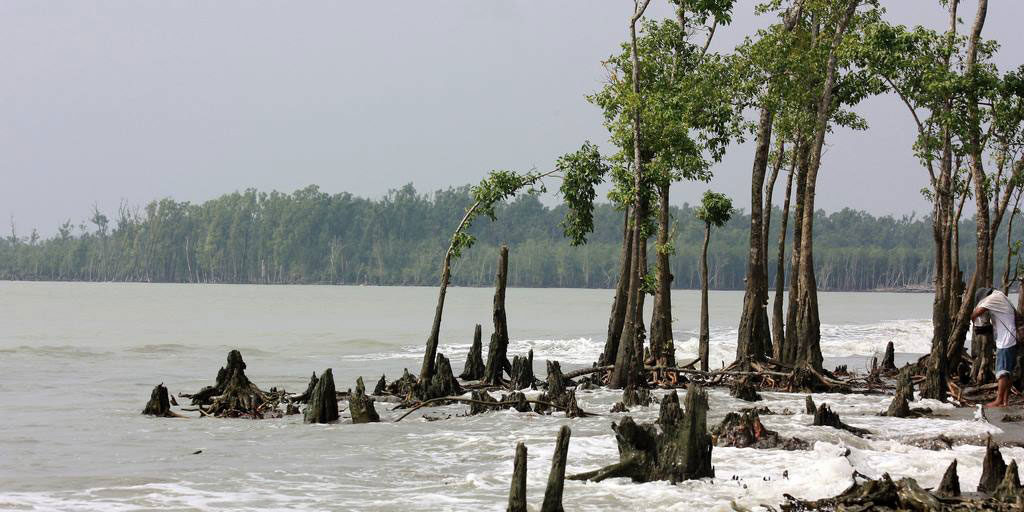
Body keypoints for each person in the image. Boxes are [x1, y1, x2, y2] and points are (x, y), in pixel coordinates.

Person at [971, 287, 1018, 408]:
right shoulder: (1001, 296)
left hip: (1005, 341)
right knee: (1008, 372)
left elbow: (977, 312)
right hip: (1011, 338)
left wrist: (972, 319)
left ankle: (999, 400)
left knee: (1002, 372)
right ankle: (1005, 401)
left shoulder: (993, 298)